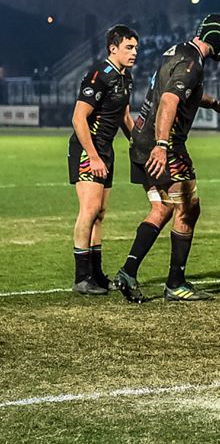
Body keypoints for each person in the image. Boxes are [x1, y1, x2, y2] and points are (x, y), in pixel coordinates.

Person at [115, 14, 220, 303]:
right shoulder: (193, 64)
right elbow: (170, 100)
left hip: (140, 140)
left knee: (162, 208)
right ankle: (175, 283)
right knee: (189, 208)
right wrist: (162, 145)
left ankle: (128, 271)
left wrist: (217, 104)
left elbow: (183, 92)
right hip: (165, 146)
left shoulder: (178, 51)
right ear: (217, 38)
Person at [68, 25, 139, 294]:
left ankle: (96, 275)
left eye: (136, 48)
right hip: (89, 151)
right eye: (129, 47)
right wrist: (94, 156)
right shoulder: (100, 75)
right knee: (88, 211)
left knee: (100, 214)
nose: (134, 53)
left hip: (105, 152)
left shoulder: (125, 77)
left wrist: (138, 143)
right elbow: (78, 118)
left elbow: (124, 117)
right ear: (113, 48)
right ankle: (81, 278)